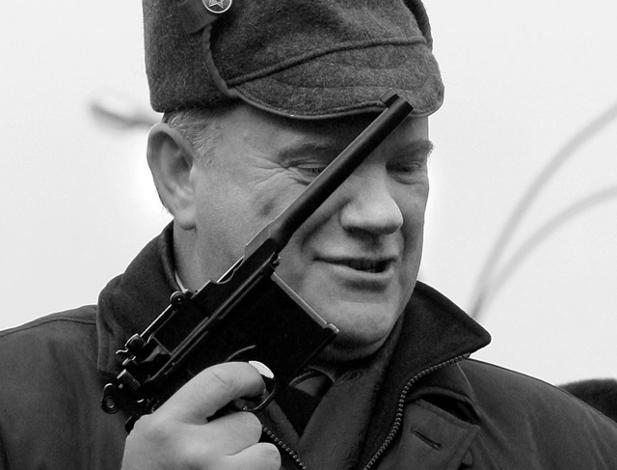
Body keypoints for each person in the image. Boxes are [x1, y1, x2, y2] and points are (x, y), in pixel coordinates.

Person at [1, 0, 617, 468]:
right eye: (321, 168)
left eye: (406, 167)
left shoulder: (569, 448)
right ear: (180, 174)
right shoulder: (16, 412)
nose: (381, 214)